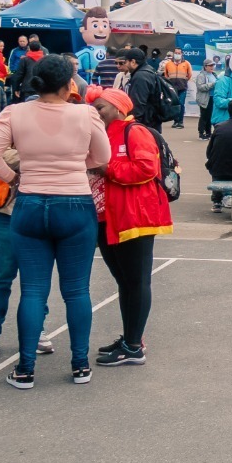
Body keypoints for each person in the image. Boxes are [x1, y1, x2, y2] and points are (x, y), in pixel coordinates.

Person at [0, 55, 110, 389]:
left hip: (31, 202)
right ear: (69, 84)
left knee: (34, 290)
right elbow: (103, 157)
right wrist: (78, 164)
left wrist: (13, 179)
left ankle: (25, 369)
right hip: (74, 203)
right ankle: (80, 364)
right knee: (76, 289)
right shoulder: (85, 113)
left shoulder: (15, 112)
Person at [89, 87, 172, 368]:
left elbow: (146, 169)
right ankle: (130, 338)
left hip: (134, 217)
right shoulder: (104, 132)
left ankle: (134, 346)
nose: (96, 112)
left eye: (100, 107)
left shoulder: (135, 132)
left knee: (135, 282)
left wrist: (107, 169)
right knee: (125, 281)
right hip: (110, 216)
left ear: (118, 108)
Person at [0, 146, 54, 359]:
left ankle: (37, 328)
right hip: (7, 213)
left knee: (36, 278)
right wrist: (37, 154)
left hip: (38, 211)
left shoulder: (51, 123)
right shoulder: (12, 118)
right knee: (2, 274)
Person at [121, 48, 170, 132]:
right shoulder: (149, 70)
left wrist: (134, 124)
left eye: (125, 62)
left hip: (145, 123)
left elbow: (138, 103)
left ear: (133, 62)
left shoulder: (140, 77)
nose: (125, 65)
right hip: (153, 121)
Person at [160, 48, 192, 129]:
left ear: (181, 54)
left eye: (179, 53)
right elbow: (166, 75)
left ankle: (180, 122)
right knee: (174, 104)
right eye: (176, 53)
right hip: (172, 88)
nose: (177, 54)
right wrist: (169, 83)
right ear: (174, 54)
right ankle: (175, 121)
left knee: (181, 104)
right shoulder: (168, 64)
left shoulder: (187, 63)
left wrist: (183, 81)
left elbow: (189, 75)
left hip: (182, 87)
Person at [7, 36, 47, 101]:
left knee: (28, 107)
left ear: (29, 48)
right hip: (42, 88)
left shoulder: (24, 60)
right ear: (40, 48)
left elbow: (19, 75)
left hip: (28, 88)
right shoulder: (45, 60)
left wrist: (17, 88)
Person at [194, 58, 220, 140]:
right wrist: (212, 84)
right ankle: (201, 133)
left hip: (213, 98)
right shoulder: (201, 76)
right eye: (210, 65)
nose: (212, 67)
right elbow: (200, 87)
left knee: (210, 116)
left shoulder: (214, 75)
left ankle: (208, 132)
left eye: (213, 65)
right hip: (205, 99)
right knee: (204, 116)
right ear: (205, 66)